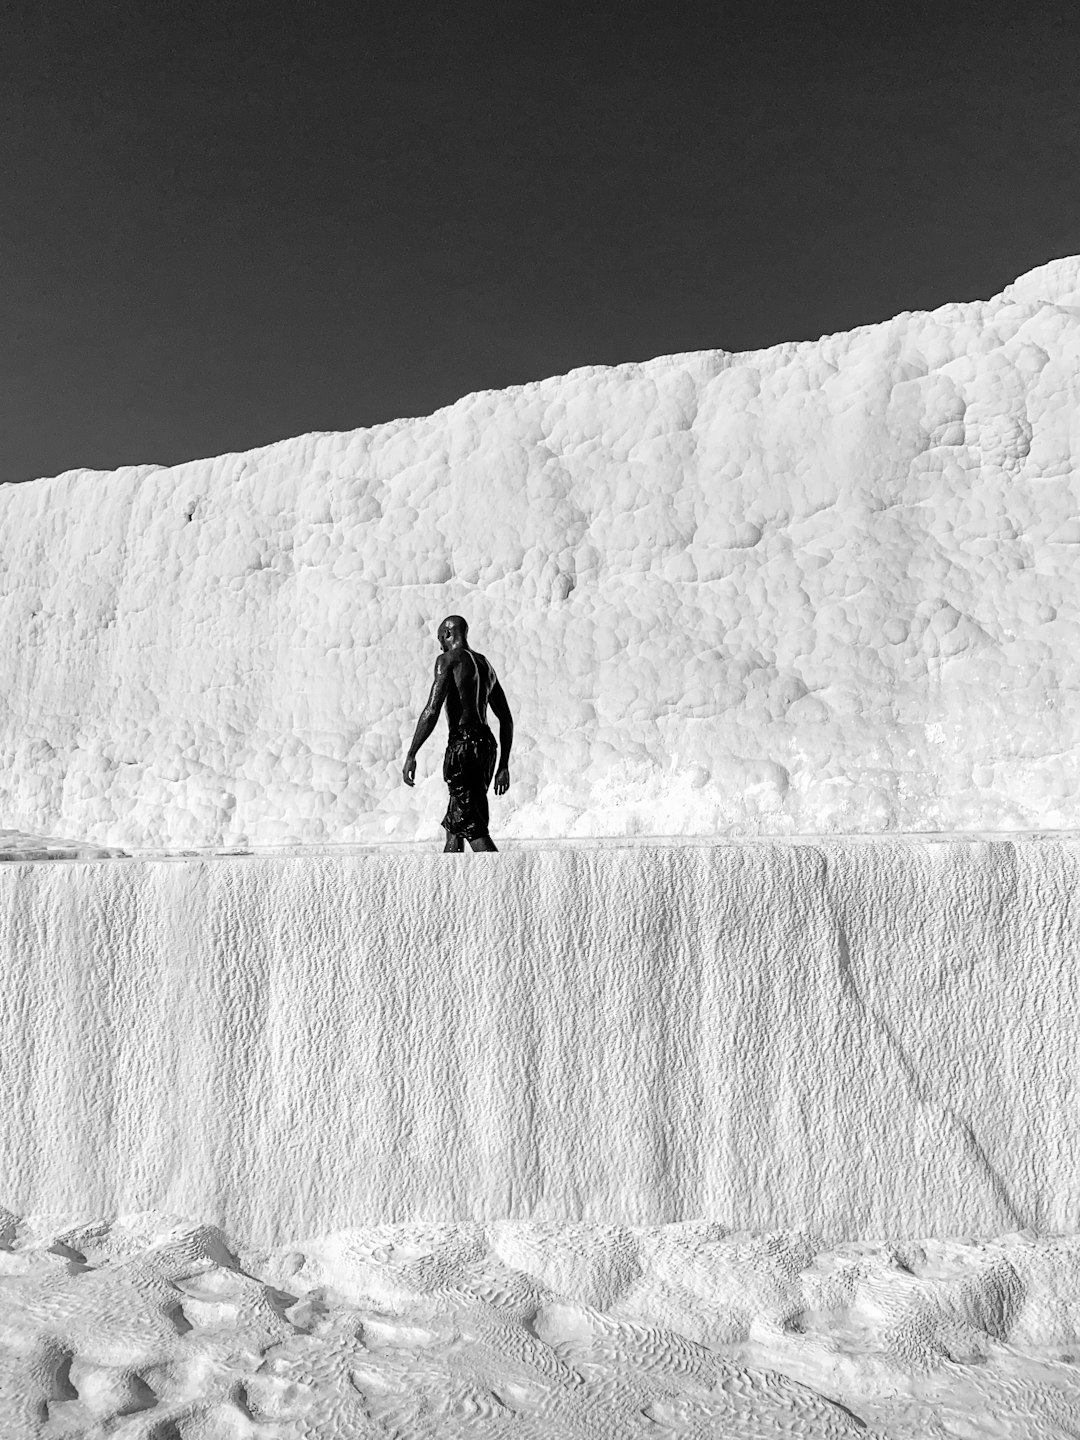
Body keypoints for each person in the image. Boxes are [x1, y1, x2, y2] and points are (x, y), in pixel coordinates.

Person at [402, 616, 512, 852]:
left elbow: (432, 709)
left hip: (463, 745)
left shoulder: (448, 660)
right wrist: (503, 765)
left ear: (447, 634)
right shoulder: (486, 666)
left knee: (473, 827)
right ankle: (445, 886)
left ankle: (506, 882)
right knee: (455, 824)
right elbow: (506, 718)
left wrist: (412, 754)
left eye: (440, 639)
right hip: (486, 746)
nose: (440, 645)